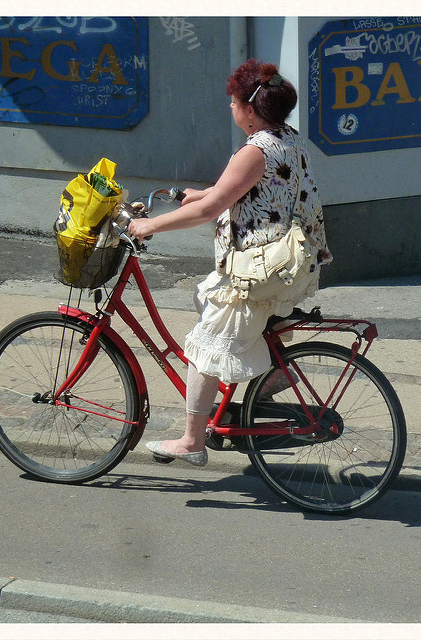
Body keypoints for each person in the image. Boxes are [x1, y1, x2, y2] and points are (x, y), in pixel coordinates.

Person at [129, 59, 332, 467]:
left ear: (251, 110)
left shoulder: (255, 150)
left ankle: (191, 442)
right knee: (216, 309)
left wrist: (148, 225)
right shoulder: (289, 138)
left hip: (259, 271)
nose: (231, 108)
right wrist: (200, 194)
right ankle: (274, 373)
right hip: (292, 263)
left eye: (235, 102)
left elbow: (216, 206)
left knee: (206, 347)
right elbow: (241, 192)